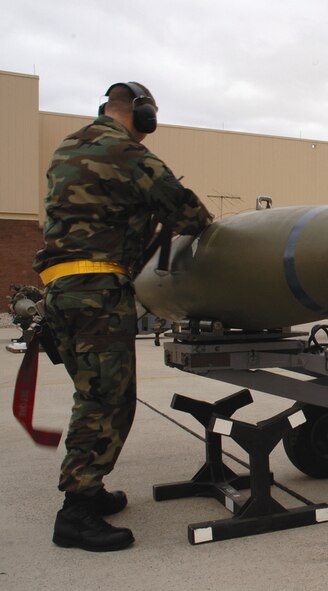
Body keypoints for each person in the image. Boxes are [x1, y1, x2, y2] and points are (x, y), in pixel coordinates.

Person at [32, 81, 213, 552]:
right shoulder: (127, 152)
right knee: (106, 403)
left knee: (92, 393)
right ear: (142, 113)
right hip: (97, 293)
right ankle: (75, 512)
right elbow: (189, 213)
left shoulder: (67, 147)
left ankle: (89, 491)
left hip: (60, 291)